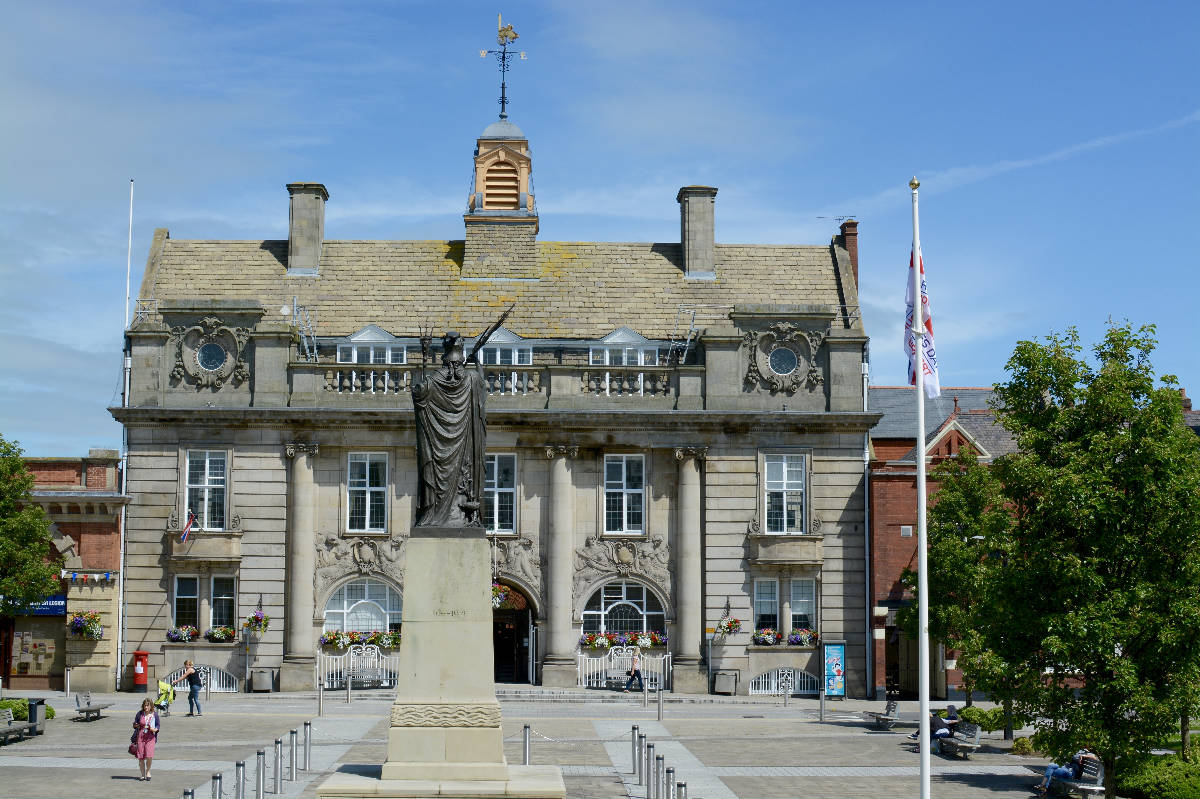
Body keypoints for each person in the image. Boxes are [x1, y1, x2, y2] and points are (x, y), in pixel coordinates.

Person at [132, 698, 160, 781]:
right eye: (145, 705)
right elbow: (134, 724)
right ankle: (142, 774)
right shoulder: (140, 714)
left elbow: (158, 726)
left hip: (150, 737)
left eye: (147, 705)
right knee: (140, 757)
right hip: (141, 737)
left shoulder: (155, 715)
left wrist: (153, 729)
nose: (146, 707)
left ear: (151, 706)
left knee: (149, 756)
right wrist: (136, 725)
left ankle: (148, 771)